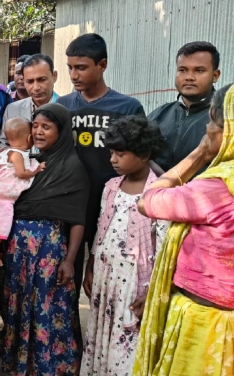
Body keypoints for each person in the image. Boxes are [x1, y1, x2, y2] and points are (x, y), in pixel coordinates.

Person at [134, 79, 234, 375]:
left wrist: (199, 155)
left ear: (233, 130)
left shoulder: (221, 188)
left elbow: (148, 201)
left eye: (212, 120)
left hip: (208, 328)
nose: (207, 129)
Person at [0, 103, 89, 374]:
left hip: (49, 249)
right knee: (20, 304)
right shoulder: (27, 160)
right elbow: (8, 195)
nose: (39, 131)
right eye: (35, 126)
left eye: (47, 127)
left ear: (62, 130)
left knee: (47, 306)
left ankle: (50, 366)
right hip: (18, 247)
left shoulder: (72, 166)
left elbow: (78, 219)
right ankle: (21, 365)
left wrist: (70, 261)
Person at [58, 33, 145, 296]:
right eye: (70, 68)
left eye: (81, 67)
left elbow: (140, 159)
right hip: (70, 203)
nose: (74, 75)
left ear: (102, 65)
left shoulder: (127, 107)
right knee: (64, 277)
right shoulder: (62, 107)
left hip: (111, 204)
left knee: (104, 281)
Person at [80, 117, 169, 376]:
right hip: (106, 277)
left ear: (144, 155)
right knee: (102, 329)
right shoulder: (111, 187)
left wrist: (153, 288)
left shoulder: (158, 193)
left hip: (134, 281)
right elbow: (100, 229)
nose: (113, 160)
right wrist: (90, 265)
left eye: (121, 153)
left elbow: (164, 245)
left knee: (128, 336)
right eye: (111, 153)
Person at [0, 117, 45, 267]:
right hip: (6, 192)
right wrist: (35, 171)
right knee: (4, 220)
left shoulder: (9, 151)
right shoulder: (17, 154)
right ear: (30, 138)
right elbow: (21, 174)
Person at [148, 41, 221, 173]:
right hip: (157, 192)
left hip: (202, 193)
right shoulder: (157, 116)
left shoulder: (225, 119)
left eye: (199, 70)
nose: (189, 77)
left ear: (215, 75)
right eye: (182, 70)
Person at [0, 54, 59, 149]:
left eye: (41, 80)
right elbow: (4, 145)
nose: (36, 87)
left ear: (54, 76)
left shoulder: (67, 107)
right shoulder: (12, 110)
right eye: (30, 81)